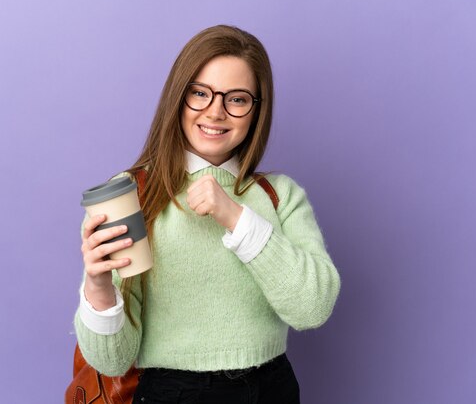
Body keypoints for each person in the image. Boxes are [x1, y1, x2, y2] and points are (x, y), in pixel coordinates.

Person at [74, 25, 341, 404]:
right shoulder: (131, 194)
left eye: (237, 99)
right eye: (200, 93)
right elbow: (112, 361)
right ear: (178, 99)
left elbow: (313, 307)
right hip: (172, 393)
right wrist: (98, 288)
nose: (215, 112)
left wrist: (236, 216)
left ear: (256, 111)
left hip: (271, 390)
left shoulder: (279, 195)